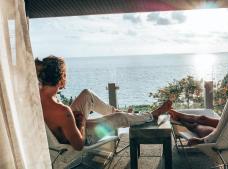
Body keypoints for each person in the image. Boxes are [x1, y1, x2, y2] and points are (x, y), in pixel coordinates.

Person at [35, 55, 172, 150]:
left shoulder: (35, 97)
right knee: (120, 119)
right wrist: (81, 123)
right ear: (61, 78)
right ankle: (151, 115)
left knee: (87, 94)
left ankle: (117, 112)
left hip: (66, 127)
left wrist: (75, 120)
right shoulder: (63, 111)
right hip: (77, 137)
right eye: (65, 74)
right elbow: (79, 145)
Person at [168, 53, 228, 145]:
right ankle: (181, 117)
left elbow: (216, 136)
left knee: (201, 127)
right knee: (205, 119)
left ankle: (189, 124)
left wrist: (201, 140)